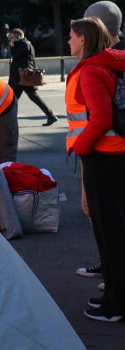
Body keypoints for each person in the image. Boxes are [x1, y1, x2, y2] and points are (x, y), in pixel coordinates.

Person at [64, 17, 125, 322]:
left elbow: (100, 118)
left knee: (109, 234)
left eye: (71, 36)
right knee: (115, 231)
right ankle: (113, 296)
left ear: (84, 40)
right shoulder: (112, 63)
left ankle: (115, 305)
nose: (68, 41)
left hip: (102, 158)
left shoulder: (90, 70)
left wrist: (81, 147)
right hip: (116, 155)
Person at [76, 1, 124, 280]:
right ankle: (111, 268)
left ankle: (114, 274)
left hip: (103, 151)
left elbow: (103, 116)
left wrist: (81, 146)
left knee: (102, 215)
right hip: (103, 148)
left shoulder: (103, 61)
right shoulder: (114, 56)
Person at [8, 28, 57, 126]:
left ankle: (51, 116)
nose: (11, 40)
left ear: (18, 36)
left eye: (12, 37)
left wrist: (12, 46)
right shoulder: (24, 44)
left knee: (16, 99)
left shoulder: (24, 44)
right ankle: (51, 116)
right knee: (13, 99)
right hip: (22, 78)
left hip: (23, 78)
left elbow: (15, 55)